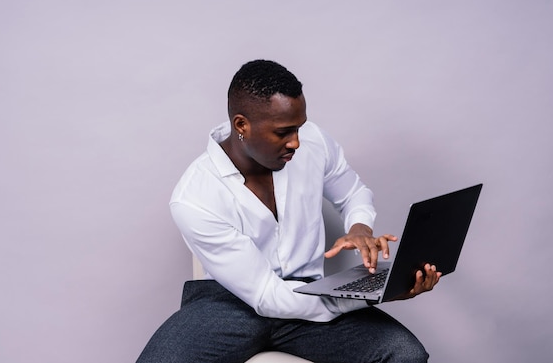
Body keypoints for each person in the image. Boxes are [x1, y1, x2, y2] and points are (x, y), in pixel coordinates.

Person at [137, 60, 441, 363]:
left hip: (309, 291)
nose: (296, 141)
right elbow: (267, 296)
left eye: (299, 126)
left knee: (404, 355)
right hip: (228, 302)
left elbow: (353, 192)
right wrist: (368, 297)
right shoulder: (195, 197)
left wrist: (359, 227)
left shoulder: (313, 142)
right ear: (242, 125)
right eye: (283, 132)